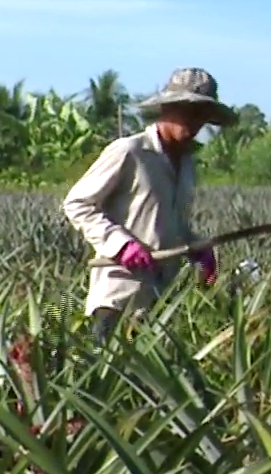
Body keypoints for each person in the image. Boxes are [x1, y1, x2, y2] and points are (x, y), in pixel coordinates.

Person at [61, 67, 235, 344]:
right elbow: (78, 203)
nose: (193, 122)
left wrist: (199, 248)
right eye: (186, 111)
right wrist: (122, 245)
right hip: (118, 295)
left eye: (201, 115)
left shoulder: (187, 163)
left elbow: (169, 222)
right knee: (107, 376)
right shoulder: (130, 151)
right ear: (167, 108)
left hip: (159, 301)